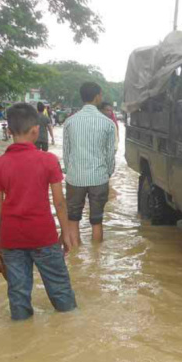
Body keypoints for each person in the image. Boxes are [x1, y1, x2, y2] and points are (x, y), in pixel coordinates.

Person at [0, 103, 77, 321]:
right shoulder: (48, 160)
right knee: (60, 290)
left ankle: (19, 338)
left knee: (18, 293)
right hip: (43, 236)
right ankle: (70, 333)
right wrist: (65, 233)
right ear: (36, 130)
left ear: (8, 131)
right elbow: (59, 203)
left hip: (11, 238)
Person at [63, 82, 117, 245]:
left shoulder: (70, 122)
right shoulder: (108, 123)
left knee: (73, 219)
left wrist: (70, 171)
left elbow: (66, 153)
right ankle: (96, 260)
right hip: (99, 178)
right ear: (97, 96)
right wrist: (107, 173)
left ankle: (75, 257)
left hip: (75, 178)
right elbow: (110, 155)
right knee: (97, 221)